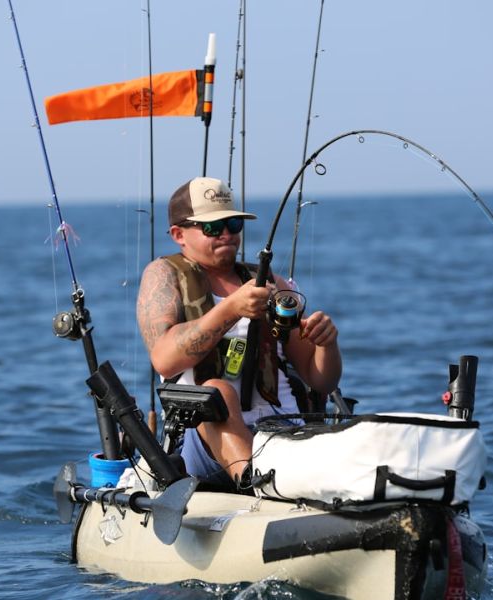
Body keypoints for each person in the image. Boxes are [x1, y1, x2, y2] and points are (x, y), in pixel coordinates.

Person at [137, 176, 342, 487]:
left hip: (283, 430)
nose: (226, 235)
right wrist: (231, 309)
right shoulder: (162, 276)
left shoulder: (272, 283)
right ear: (179, 234)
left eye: (233, 224)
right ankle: (258, 485)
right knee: (216, 391)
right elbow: (165, 359)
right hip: (204, 444)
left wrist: (327, 344)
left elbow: (321, 379)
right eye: (212, 228)